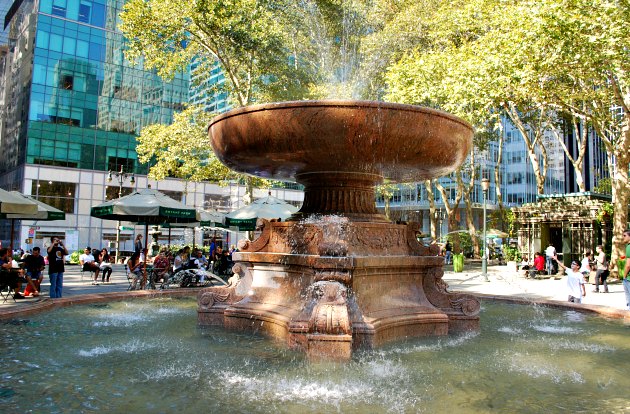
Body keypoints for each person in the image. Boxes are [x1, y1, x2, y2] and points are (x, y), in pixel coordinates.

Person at [622, 229, 630, 310]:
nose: (623, 237)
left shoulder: (629, 247)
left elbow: (628, 265)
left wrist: (624, 276)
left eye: (625, 236)